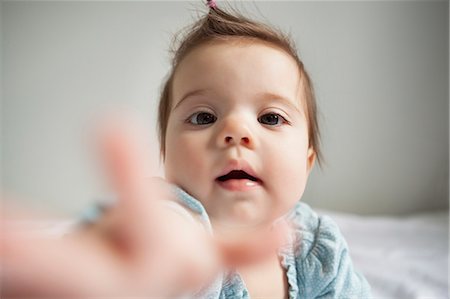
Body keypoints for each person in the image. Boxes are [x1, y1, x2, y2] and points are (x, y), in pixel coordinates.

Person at [1, 1, 371, 298]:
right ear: (166, 155)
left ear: (307, 162)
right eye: (203, 117)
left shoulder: (317, 249)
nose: (236, 132)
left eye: (271, 118)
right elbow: (150, 251)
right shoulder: (170, 231)